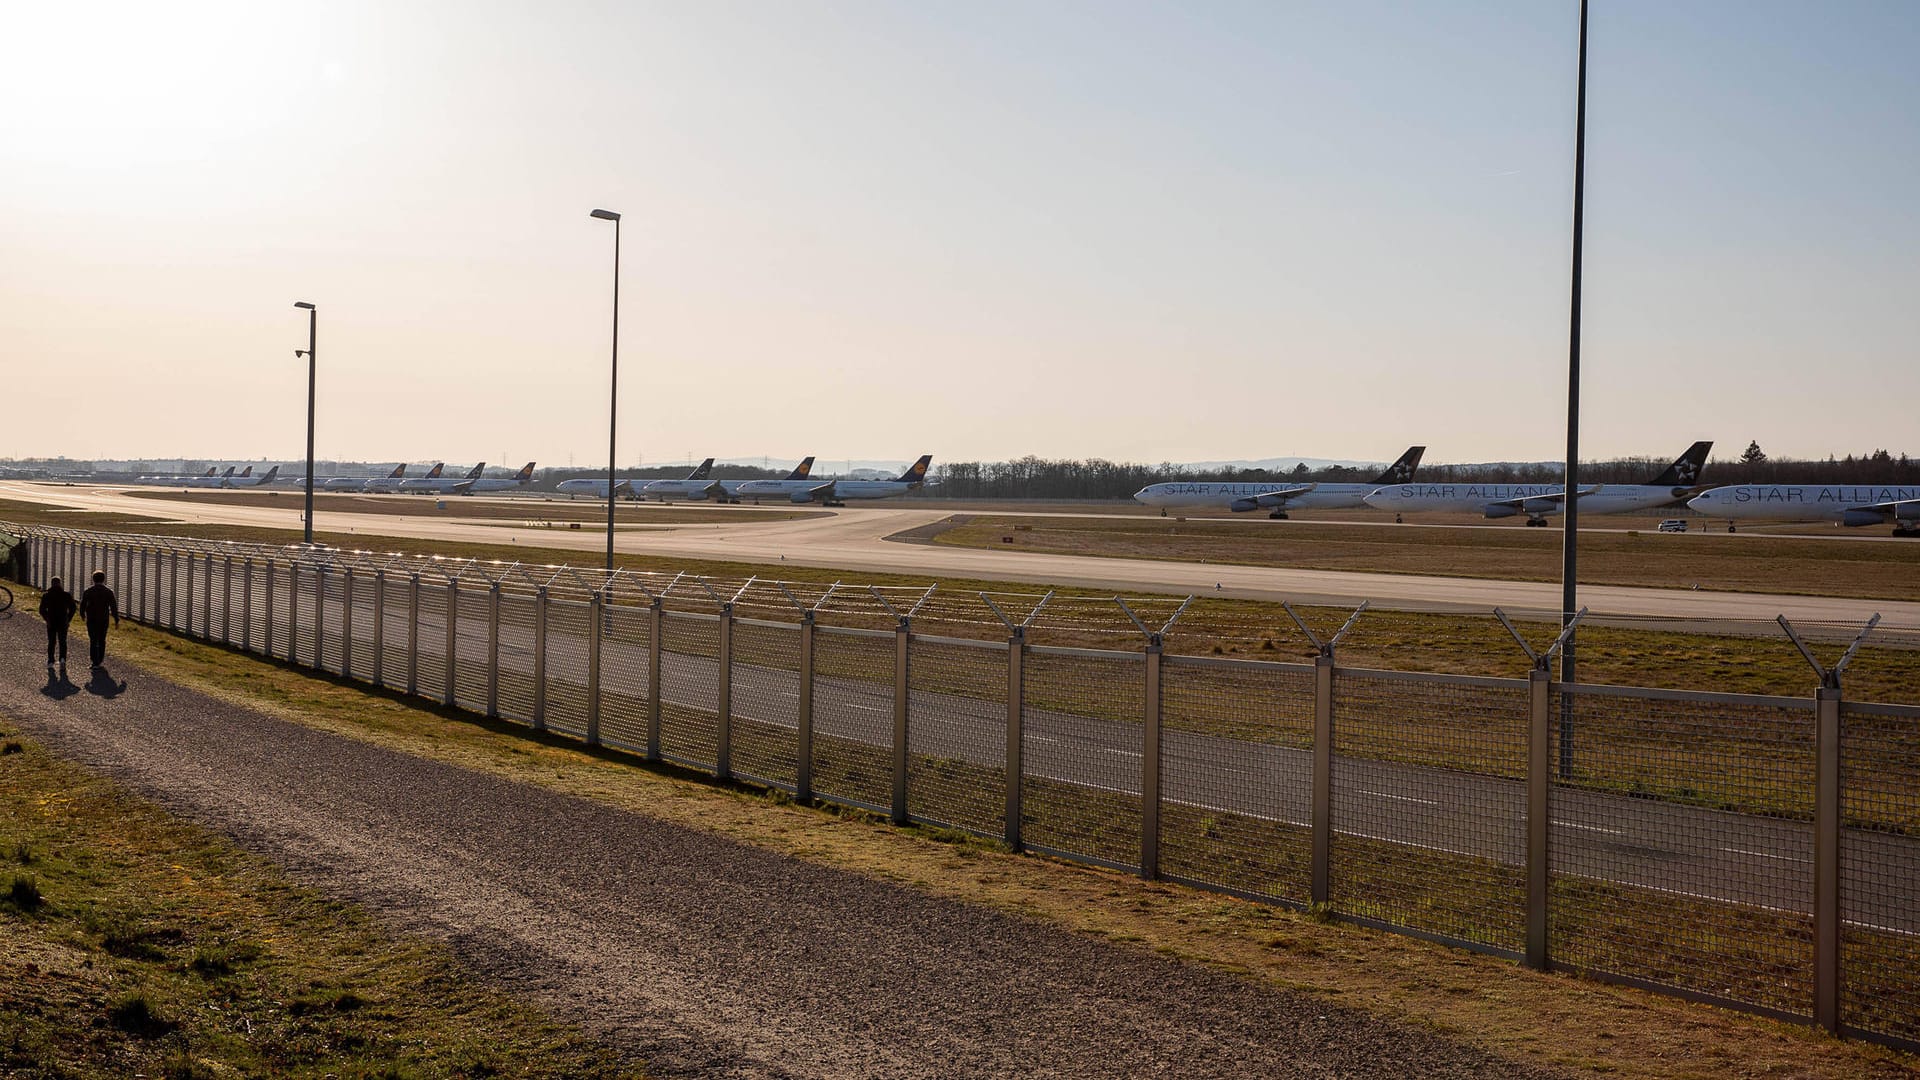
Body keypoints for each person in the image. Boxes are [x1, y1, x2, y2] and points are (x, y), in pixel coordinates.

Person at [79, 570, 121, 669]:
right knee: (102, 639)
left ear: (93, 579)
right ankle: (100, 659)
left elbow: (83, 604)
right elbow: (113, 607)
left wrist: (82, 614)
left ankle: (95, 661)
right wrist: (116, 619)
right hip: (104, 618)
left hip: (92, 618)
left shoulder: (88, 591)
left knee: (93, 639)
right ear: (104, 579)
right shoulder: (108, 592)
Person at [38, 576, 77, 667]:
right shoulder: (66, 595)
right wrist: (68, 618)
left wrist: (46, 618)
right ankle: (62, 659)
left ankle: (51, 661)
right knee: (62, 641)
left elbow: (42, 610)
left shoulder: (47, 595)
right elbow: (73, 608)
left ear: (51, 584)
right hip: (63, 620)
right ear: (60, 583)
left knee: (52, 641)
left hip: (51, 621)